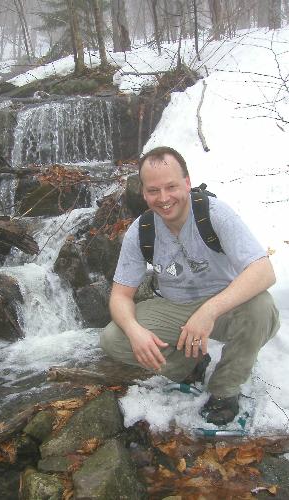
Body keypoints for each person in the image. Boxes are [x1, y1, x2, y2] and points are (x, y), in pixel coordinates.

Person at [100, 146, 280, 425]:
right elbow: (120, 296)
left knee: (261, 307)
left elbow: (263, 270)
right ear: (144, 193)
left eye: (171, 186)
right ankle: (188, 365)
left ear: (187, 182)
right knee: (114, 338)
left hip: (225, 305)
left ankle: (225, 390)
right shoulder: (141, 231)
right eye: (153, 191)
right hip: (173, 307)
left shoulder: (214, 214)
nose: (163, 198)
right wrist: (135, 332)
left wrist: (208, 311)